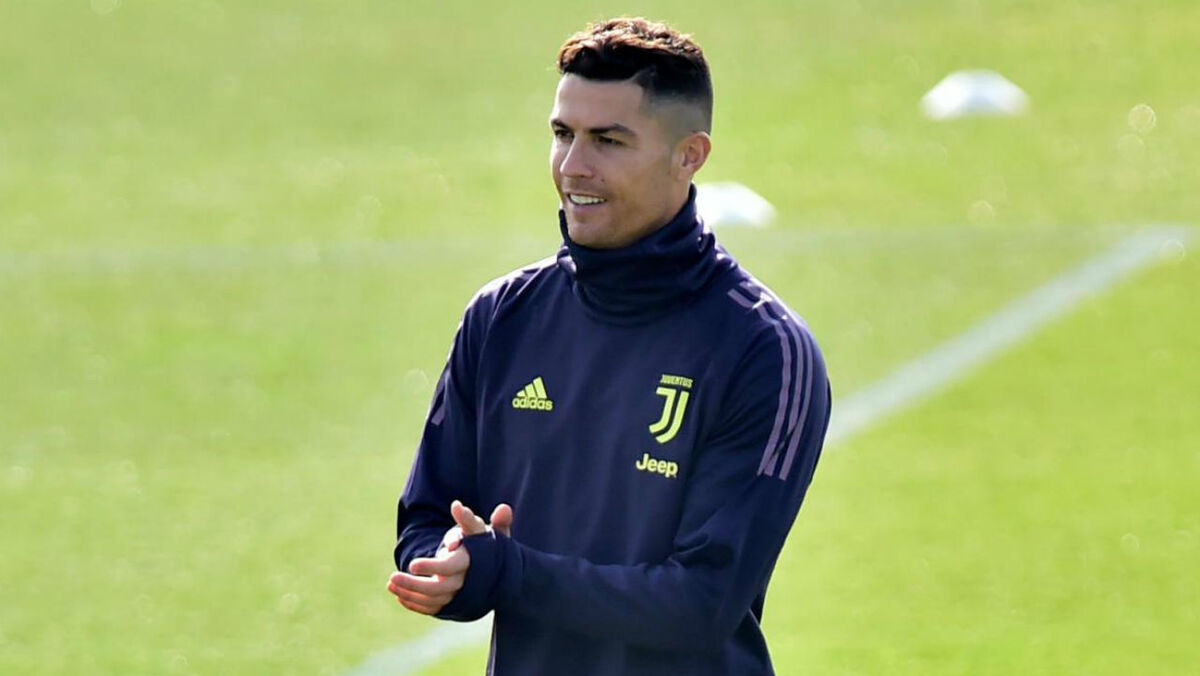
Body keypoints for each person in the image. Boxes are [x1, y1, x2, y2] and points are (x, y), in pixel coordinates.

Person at [388, 17, 832, 675]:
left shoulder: (762, 349)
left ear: (690, 155)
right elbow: (427, 517)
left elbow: (701, 603)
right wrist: (453, 563)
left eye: (609, 140)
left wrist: (508, 571)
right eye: (562, 134)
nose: (573, 166)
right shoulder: (503, 318)